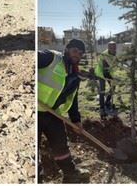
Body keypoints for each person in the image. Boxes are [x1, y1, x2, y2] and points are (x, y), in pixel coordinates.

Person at [38, 39, 90, 182]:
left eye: (80, 53)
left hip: (53, 113)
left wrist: (76, 120)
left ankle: (70, 173)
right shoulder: (51, 58)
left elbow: (73, 100)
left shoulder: (75, 74)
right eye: (75, 51)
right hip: (35, 111)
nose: (77, 55)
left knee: (61, 144)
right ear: (66, 49)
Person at [94, 42, 118, 118]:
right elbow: (105, 70)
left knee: (113, 86)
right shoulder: (104, 55)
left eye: (114, 47)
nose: (113, 49)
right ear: (108, 48)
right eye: (111, 48)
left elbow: (114, 65)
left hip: (108, 72)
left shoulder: (114, 53)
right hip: (101, 73)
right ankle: (102, 108)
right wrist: (109, 78)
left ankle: (107, 102)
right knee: (102, 90)